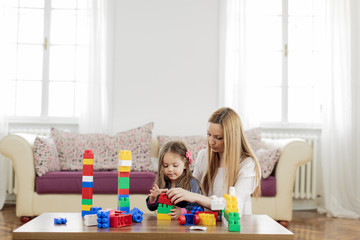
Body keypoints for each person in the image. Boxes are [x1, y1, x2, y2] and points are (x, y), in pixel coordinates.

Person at [166, 107, 261, 216]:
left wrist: (195, 197)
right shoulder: (203, 156)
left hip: (233, 227)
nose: (211, 141)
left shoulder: (248, 164)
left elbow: (234, 205)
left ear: (232, 138)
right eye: (209, 134)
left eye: (218, 137)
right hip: (205, 224)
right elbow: (192, 191)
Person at [146, 140, 202, 219]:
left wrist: (182, 211)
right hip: (165, 223)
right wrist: (153, 198)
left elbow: (197, 206)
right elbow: (152, 208)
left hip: (184, 225)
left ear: (185, 165)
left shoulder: (192, 183)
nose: (170, 169)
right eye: (165, 166)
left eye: (175, 166)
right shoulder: (163, 183)